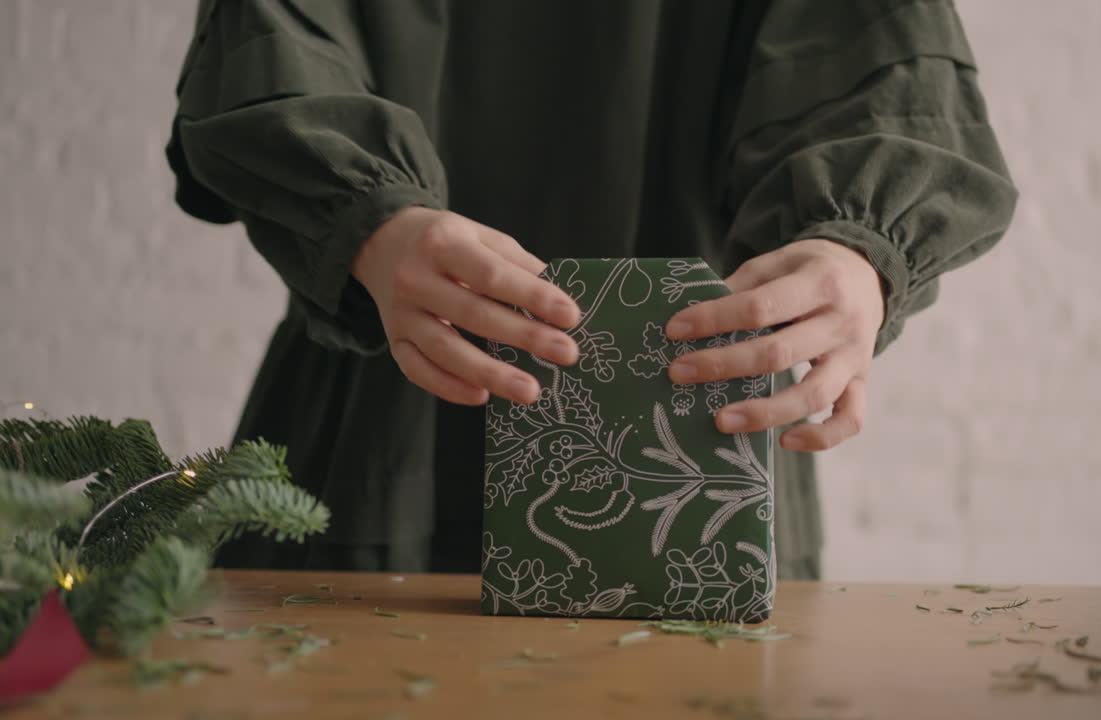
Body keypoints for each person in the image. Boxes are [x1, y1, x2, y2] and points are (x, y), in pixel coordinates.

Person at [166, 0, 1017, 580]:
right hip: (384, 443)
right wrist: (368, 224)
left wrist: (852, 259)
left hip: (699, 458)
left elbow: (887, 76)